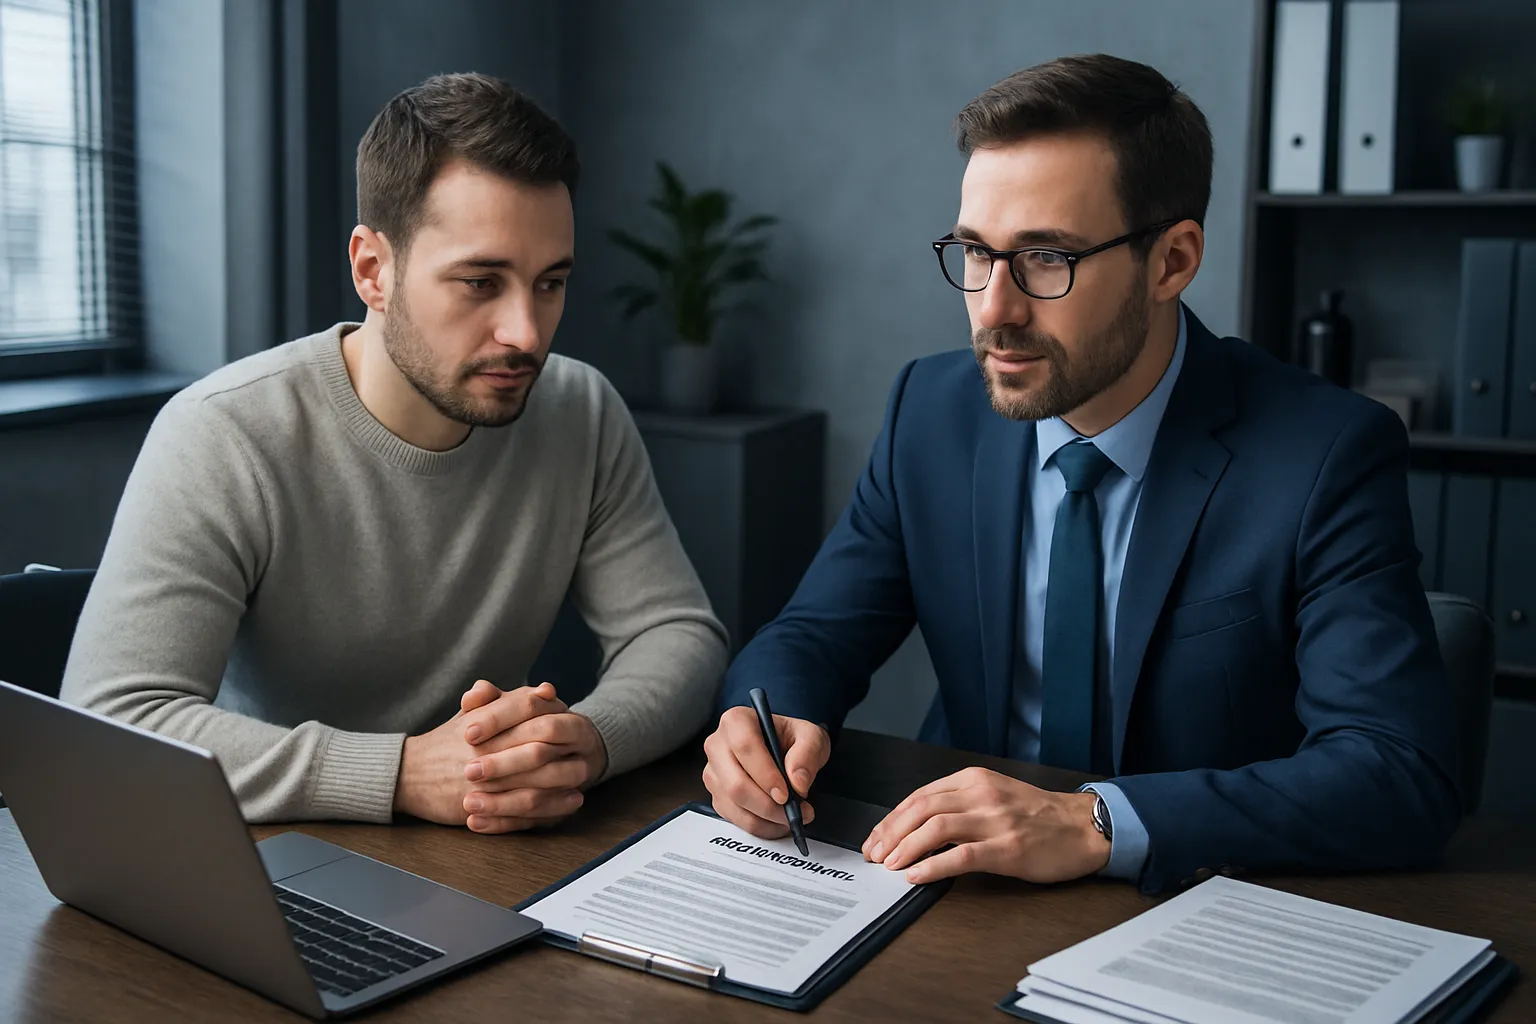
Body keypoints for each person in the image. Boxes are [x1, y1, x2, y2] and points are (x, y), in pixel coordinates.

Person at [703, 54, 1461, 893]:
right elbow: (814, 634)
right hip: (953, 892)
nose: (994, 308)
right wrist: (764, 722)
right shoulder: (931, 411)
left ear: (1171, 261)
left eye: (1046, 259)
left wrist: (1095, 821)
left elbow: (1400, 773)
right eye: (975, 253)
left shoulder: (1327, 454)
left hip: (1191, 905)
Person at [63, 73, 727, 834]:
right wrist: (402, 773)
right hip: (273, 853)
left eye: (550, 284)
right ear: (373, 270)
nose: (527, 332)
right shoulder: (224, 432)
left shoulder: (581, 410)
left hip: (486, 853)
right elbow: (113, 719)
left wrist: (585, 741)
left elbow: (676, 633)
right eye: (481, 282)